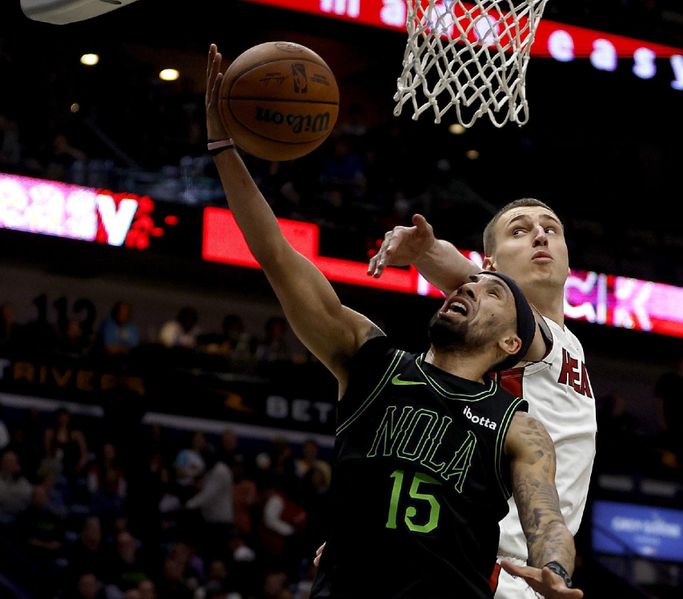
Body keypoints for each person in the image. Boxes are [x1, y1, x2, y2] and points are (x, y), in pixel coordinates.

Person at [206, 44, 581, 599]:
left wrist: (555, 568)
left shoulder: (517, 424)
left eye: (491, 291)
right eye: (470, 283)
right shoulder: (372, 361)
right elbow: (276, 254)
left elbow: (547, 517)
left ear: (511, 340)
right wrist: (222, 149)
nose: (471, 288)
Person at [367, 201, 597, 597]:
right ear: (491, 265)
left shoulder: (567, 342)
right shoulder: (520, 337)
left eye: (551, 229)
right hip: (487, 570)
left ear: (567, 259)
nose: (540, 235)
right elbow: (463, 275)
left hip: (525, 572)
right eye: (519, 231)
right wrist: (428, 250)